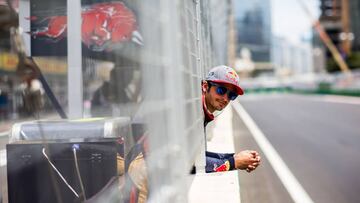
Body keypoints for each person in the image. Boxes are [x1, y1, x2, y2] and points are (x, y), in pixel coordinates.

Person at [201, 65, 261, 173]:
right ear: (205, 86)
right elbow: (191, 164)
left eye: (231, 95)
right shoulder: (193, 113)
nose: (225, 98)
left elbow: (197, 157)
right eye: (221, 90)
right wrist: (234, 162)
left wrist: (237, 158)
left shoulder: (202, 113)